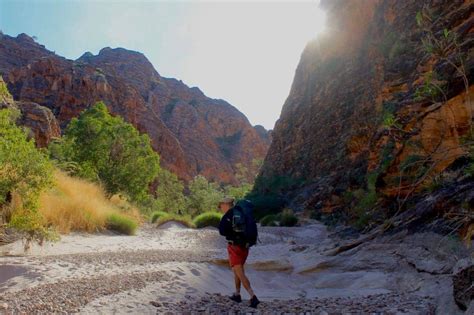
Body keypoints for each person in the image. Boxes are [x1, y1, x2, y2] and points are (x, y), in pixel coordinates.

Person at [218, 197, 260, 308]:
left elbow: (222, 231)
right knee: (237, 270)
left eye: (221, 206)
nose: (220, 208)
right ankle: (237, 294)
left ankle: (253, 297)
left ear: (226, 204)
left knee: (240, 273)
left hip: (234, 247)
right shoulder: (242, 212)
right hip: (245, 247)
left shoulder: (229, 215)